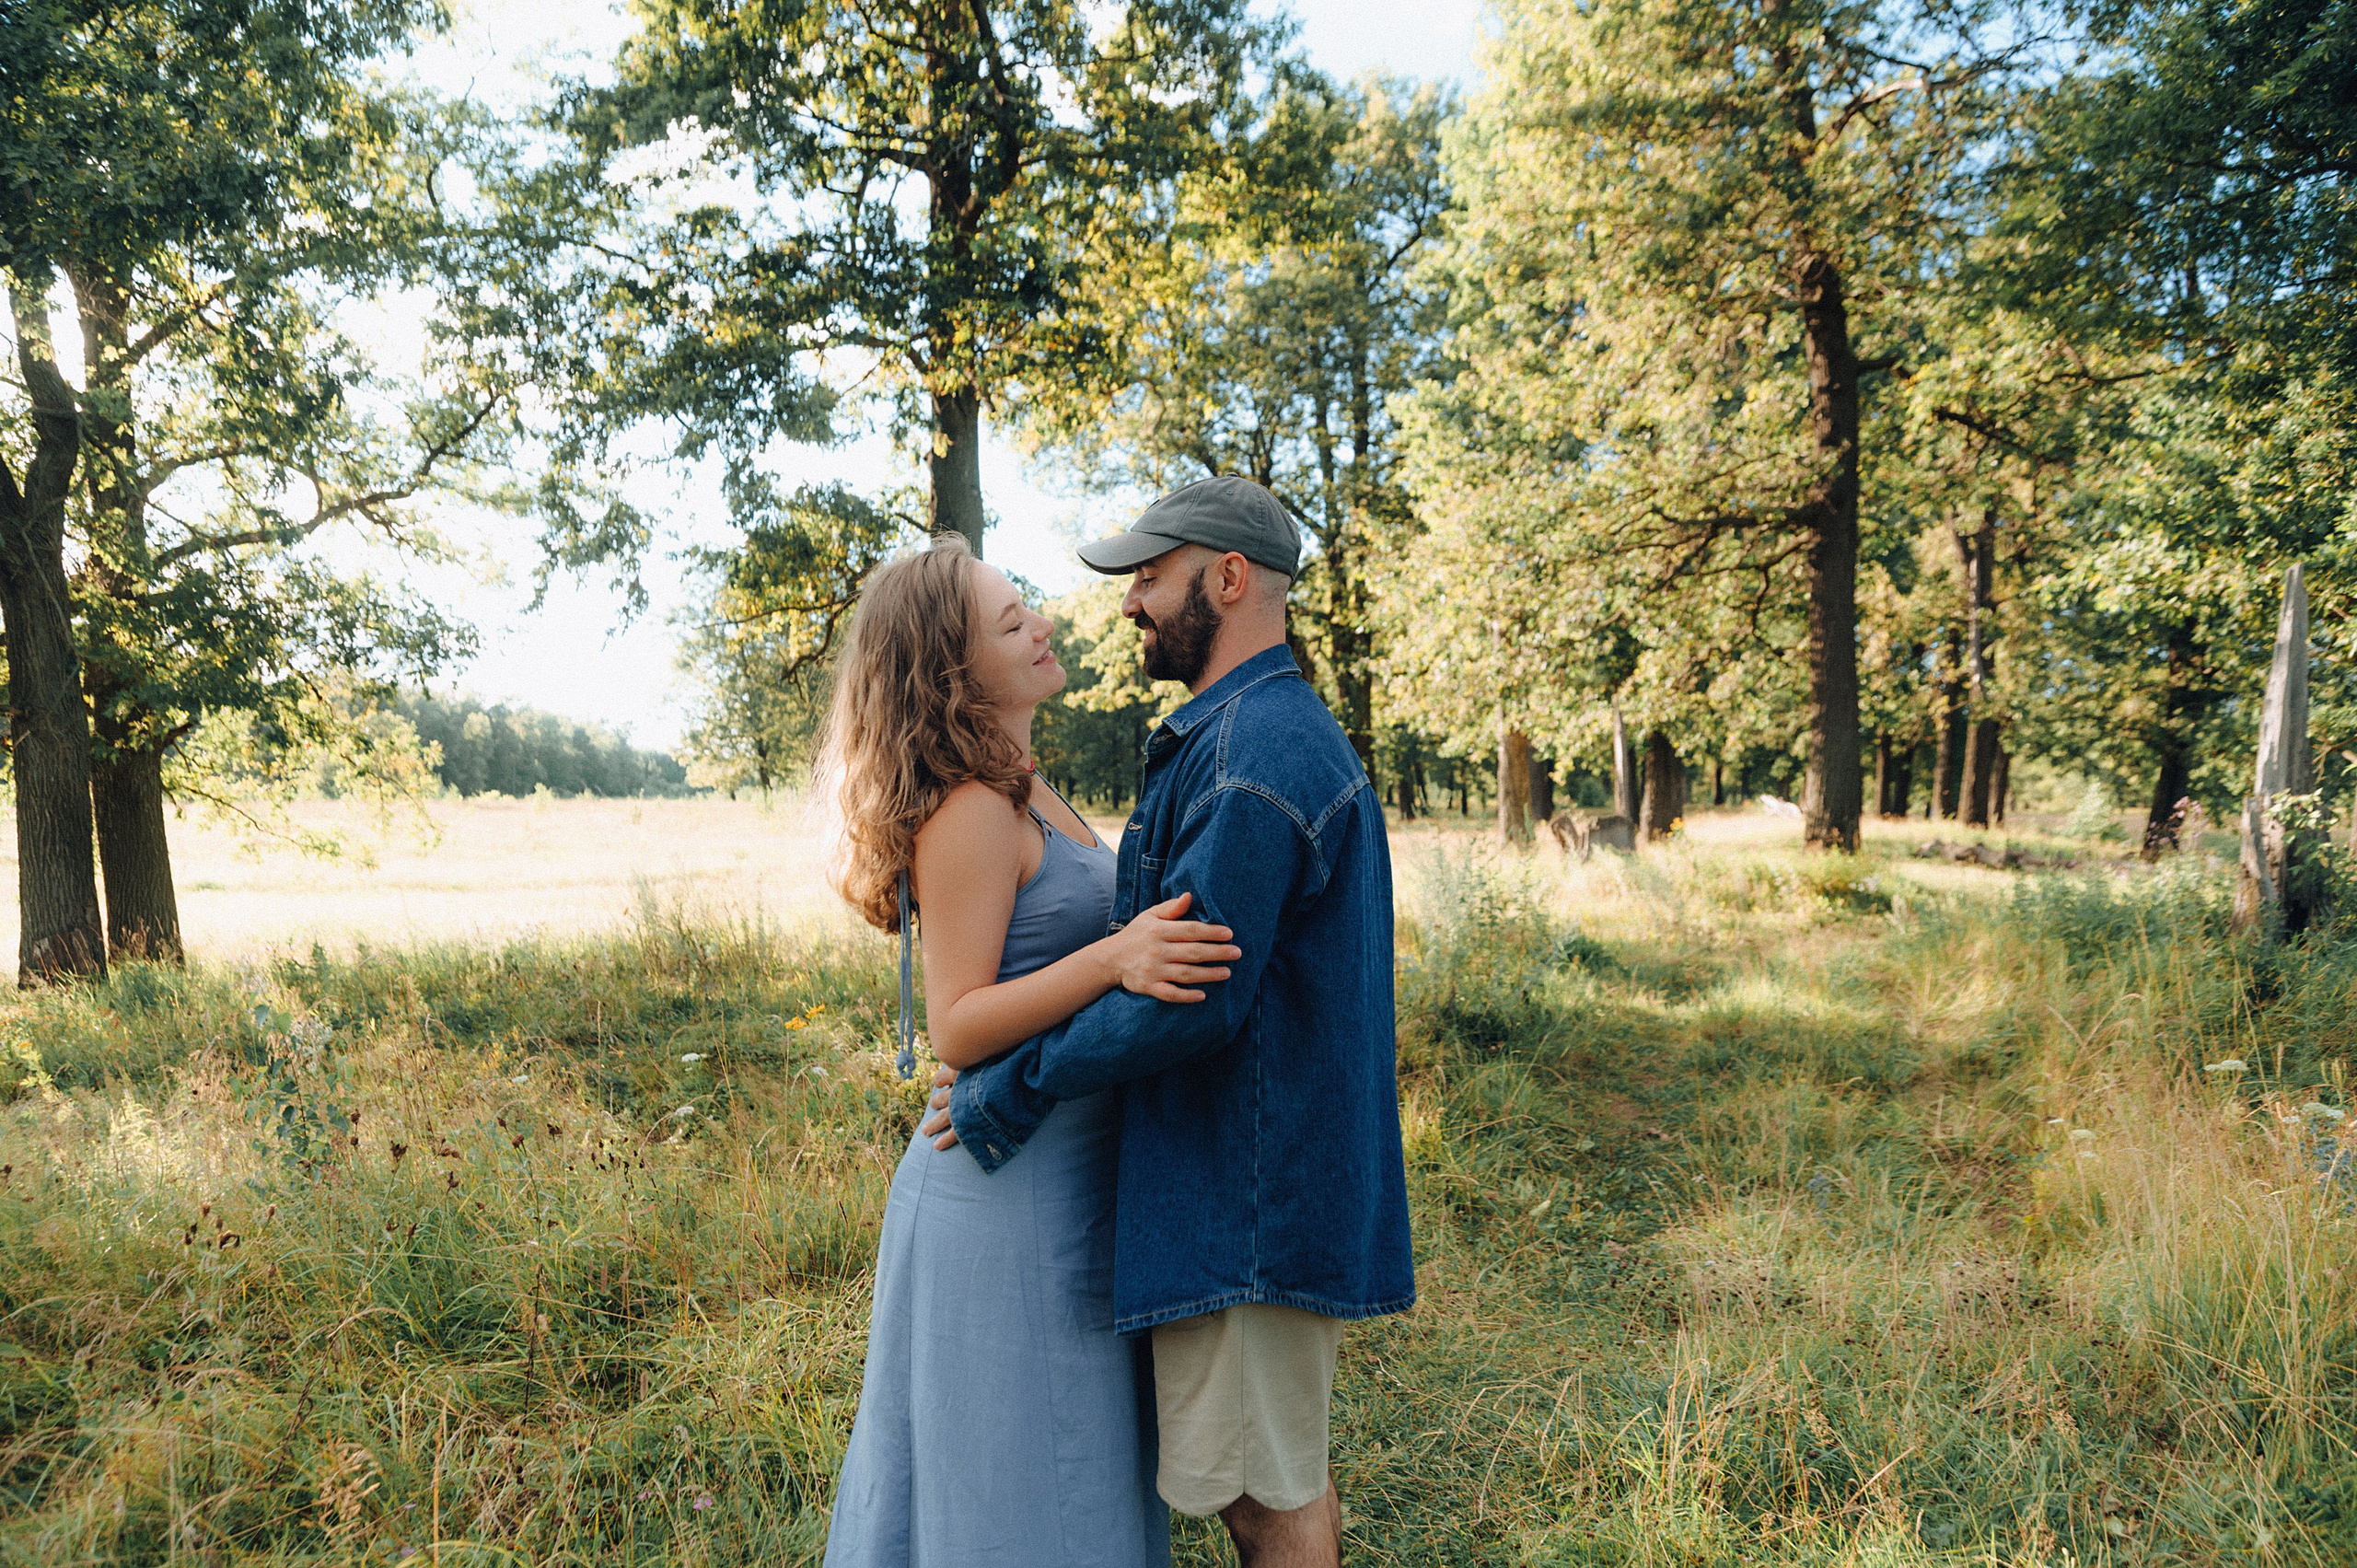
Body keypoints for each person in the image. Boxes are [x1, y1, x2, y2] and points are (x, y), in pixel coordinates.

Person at [929, 476, 1415, 1568]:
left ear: (1229, 578)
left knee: (1262, 1496)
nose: (1128, 601)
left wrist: (1012, 1083)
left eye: (1150, 575)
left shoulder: (1250, 757)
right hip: (1251, 1186)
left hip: (1247, 1198)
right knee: (1272, 1475)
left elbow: (1186, 995)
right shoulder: (1246, 736)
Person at [819, 535, 1245, 1568]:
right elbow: (957, 1022)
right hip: (1000, 1195)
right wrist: (1115, 959)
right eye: (1012, 623)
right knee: (1018, 1482)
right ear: (953, 672)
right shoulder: (969, 808)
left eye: (1028, 607)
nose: (1045, 625)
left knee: (1074, 1467)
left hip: (1066, 1178)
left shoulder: (1025, 783)